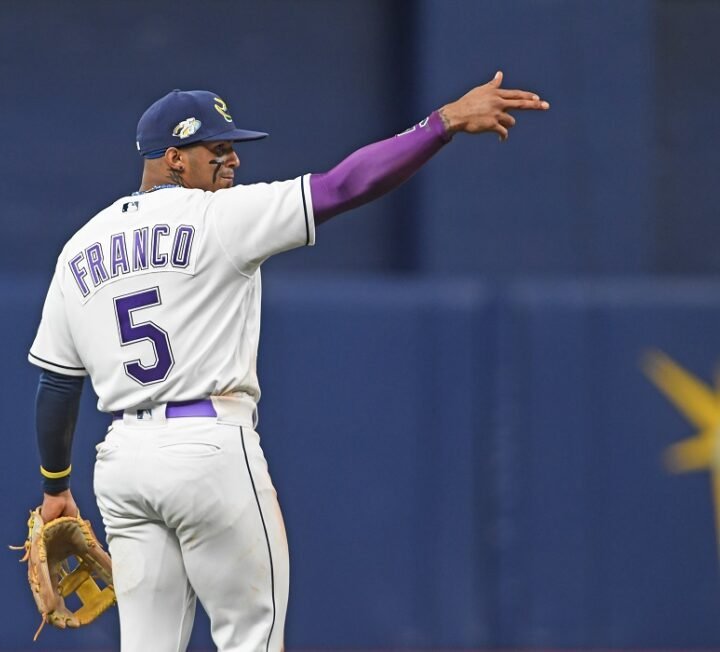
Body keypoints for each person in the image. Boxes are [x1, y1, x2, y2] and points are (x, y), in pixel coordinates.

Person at [27, 72, 549, 651]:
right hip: (208, 447)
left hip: (124, 464)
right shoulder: (219, 218)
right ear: (173, 158)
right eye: (216, 149)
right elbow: (344, 185)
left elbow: (56, 385)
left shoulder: (80, 247)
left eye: (233, 148)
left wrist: (56, 488)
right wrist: (441, 123)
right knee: (252, 635)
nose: (232, 161)